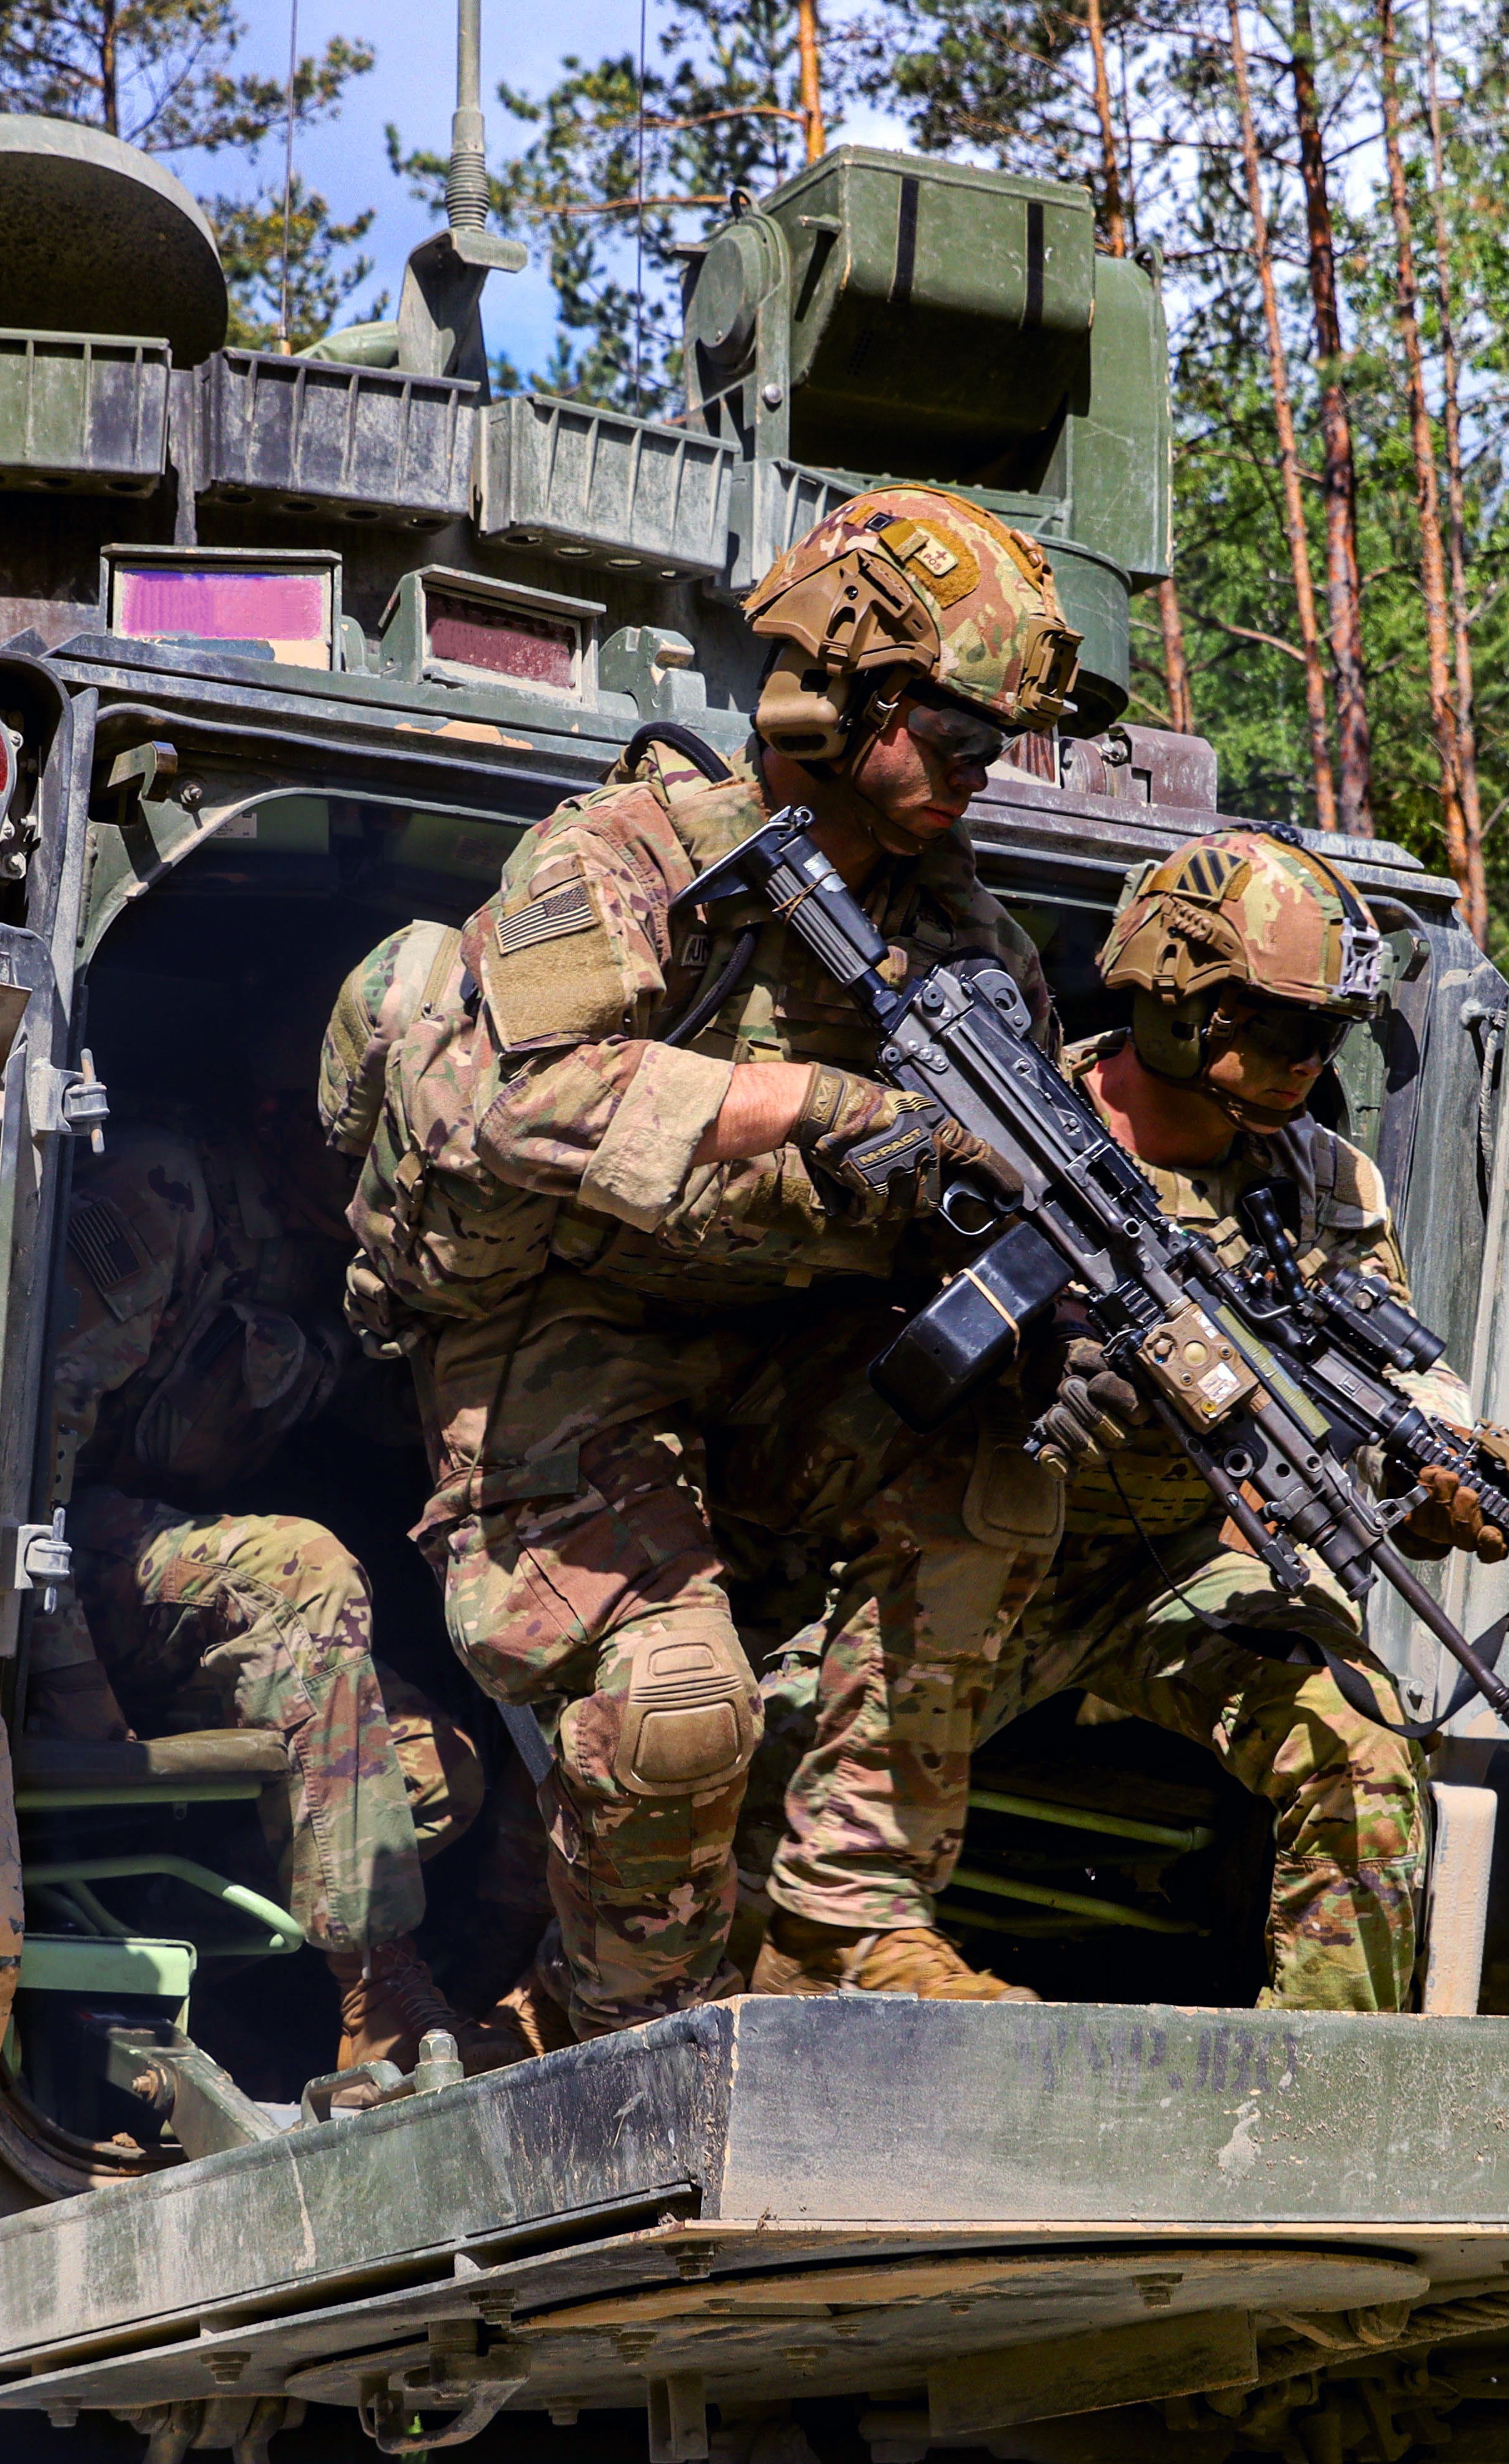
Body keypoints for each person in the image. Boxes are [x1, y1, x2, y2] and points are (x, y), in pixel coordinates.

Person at [337, 485, 1118, 2051]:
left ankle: (849, 1922)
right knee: (682, 1710)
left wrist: (1072, 1308)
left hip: (775, 1361)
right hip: (559, 1340)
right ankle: (614, 2039)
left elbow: (1013, 1192)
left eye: (999, 745)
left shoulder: (975, 946)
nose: (982, 772)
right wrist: (831, 1109)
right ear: (848, 697)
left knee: (998, 1481)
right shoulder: (630, 854)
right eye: (958, 733)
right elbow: (519, 1102)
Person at [732, 826, 1501, 2014]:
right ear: (1182, 1006)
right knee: (732, 1765)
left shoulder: (1330, 1184)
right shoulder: (1002, 1123)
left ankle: (1318, 2113)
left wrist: (1445, 1458)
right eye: (1283, 1025)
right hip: (971, 1556)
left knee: (1362, 1750)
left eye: (1329, 1035)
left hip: (1180, 1571)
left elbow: (1386, 1362)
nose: (1309, 1062)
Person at [25, 1111, 476, 2071]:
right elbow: (21, 1464)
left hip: (177, 1615)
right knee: (303, 1567)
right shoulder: (167, 1197)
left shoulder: (362, 1261)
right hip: (54, 1583)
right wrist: (72, 1691)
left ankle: (152, 1961)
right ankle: (376, 1985)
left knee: (436, 1775)